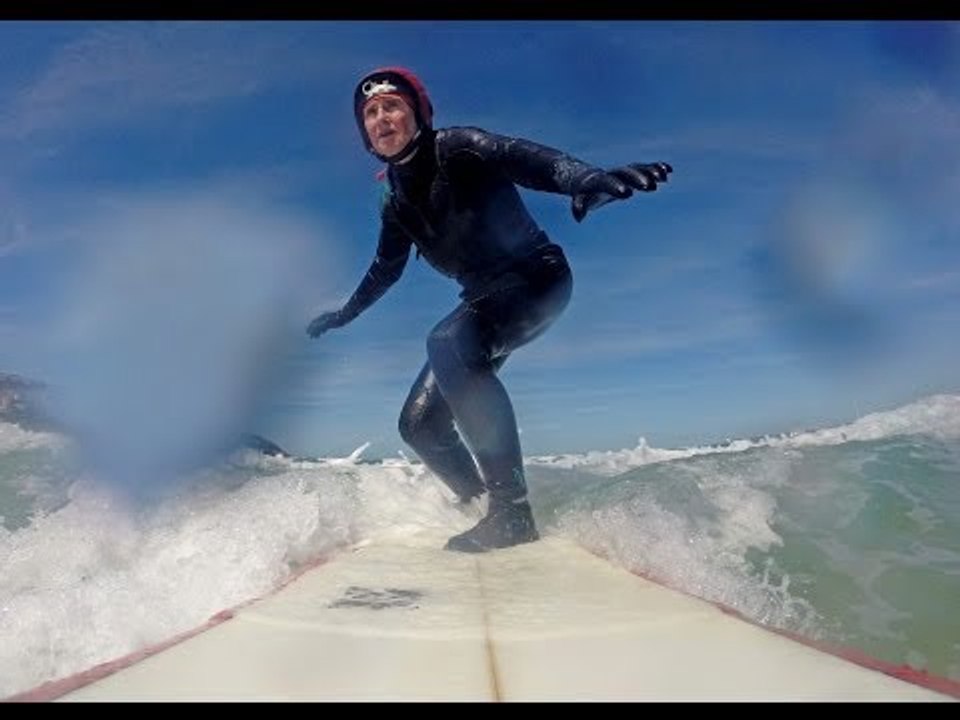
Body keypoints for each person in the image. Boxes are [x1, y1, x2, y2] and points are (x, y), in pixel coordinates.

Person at [307, 67, 672, 553]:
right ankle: (478, 501)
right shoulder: (394, 201)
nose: (381, 117)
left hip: (537, 278)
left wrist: (587, 180)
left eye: (392, 105)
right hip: (482, 300)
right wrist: (344, 314)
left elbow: (525, 158)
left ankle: (512, 513)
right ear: (365, 135)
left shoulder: (457, 147)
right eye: (370, 113)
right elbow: (385, 269)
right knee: (420, 427)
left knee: (447, 343)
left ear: (418, 112)